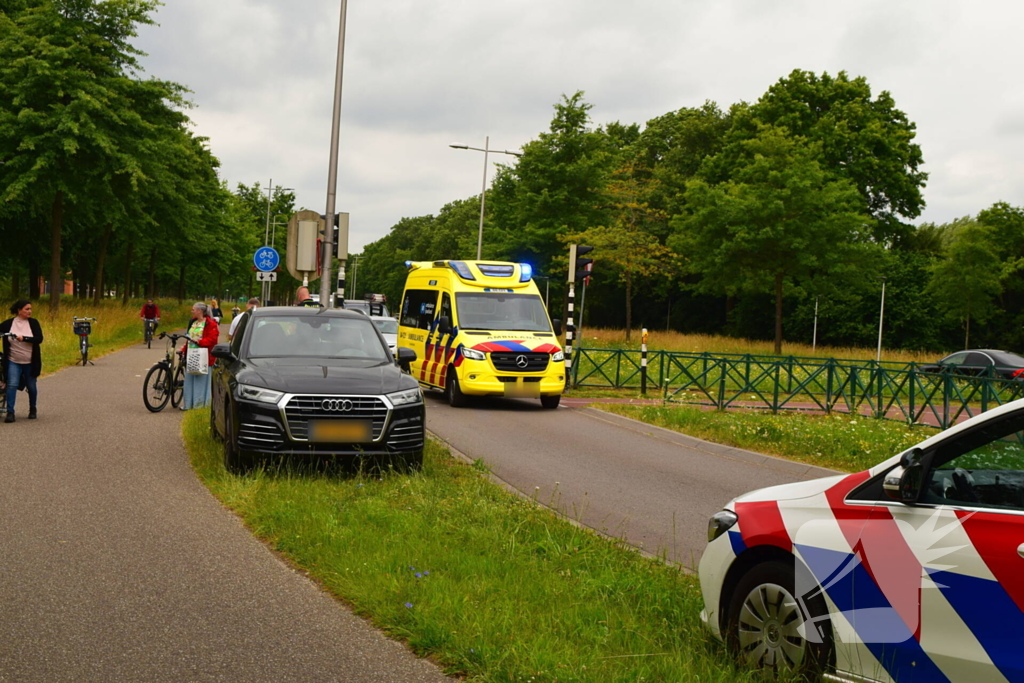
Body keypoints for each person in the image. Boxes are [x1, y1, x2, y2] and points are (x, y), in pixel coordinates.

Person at [1, 299, 43, 423]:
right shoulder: (8, 324)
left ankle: (32, 408)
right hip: (13, 360)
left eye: (30, 309)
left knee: (31, 386)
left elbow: (39, 339)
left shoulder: (33, 323)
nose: (30, 311)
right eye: (27, 309)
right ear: (19, 310)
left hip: (30, 361)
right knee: (12, 385)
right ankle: (10, 412)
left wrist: (24, 338)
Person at [180, 302, 219, 410]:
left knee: (201, 380)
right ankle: (188, 404)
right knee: (189, 379)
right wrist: (184, 349)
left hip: (203, 356)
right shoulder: (193, 322)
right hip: (192, 355)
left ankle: (199, 405)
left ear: (200, 311)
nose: (192, 311)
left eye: (193, 309)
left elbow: (212, 339)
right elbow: (189, 338)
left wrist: (200, 342)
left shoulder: (211, 324)